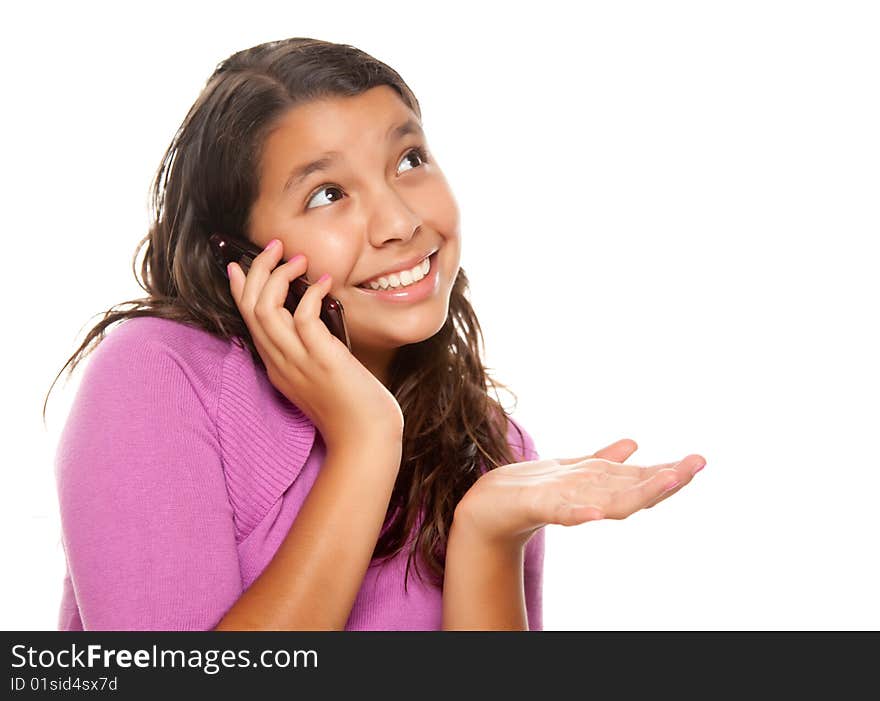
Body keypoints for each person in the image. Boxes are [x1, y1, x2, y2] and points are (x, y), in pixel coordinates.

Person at [45, 37, 706, 631]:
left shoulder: (492, 448)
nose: (397, 221)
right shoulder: (157, 377)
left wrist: (488, 533)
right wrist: (365, 443)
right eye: (327, 193)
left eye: (409, 158)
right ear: (242, 256)